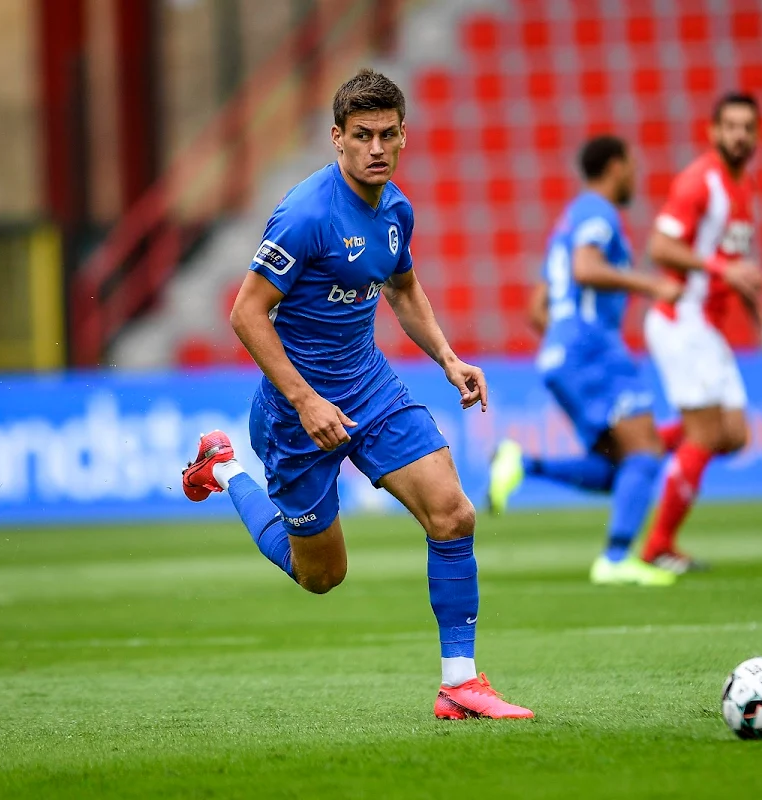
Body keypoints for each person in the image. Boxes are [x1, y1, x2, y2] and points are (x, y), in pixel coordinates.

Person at [179, 69, 532, 720]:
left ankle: (460, 683)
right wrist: (306, 401)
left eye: (388, 135)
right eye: (362, 135)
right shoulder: (306, 214)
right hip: (296, 413)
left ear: (404, 138)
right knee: (321, 576)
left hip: (369, 387)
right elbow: (246, 314)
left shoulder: (396, 208)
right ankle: (225, 467)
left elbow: (402, 288)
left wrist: (449, 358)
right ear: (336, 138)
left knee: (453, 514)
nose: (376, 147)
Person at [486, 135, 681, 587]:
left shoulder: (568, 221)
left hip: (561, 351)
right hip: (593, 347)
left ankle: (523, 464)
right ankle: (615, 559)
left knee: (618, 468)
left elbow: (538, 305)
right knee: (647, 449)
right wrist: (653, 287)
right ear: (615, 166)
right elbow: (586, 270)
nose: (636, 174)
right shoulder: (598, 212)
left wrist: (563, 339)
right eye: (633, 165)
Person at [639, 92, 762, 574]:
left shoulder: (744, 186)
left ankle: (646, 447)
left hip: (707, 326)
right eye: (730, 126)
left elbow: (728, 262)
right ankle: (658, 547)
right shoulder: (701, 181)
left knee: (732, 435)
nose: (739, 135)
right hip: (680, 319)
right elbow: (660, 245)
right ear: (713, 131)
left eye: (747, 127)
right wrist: (722, 270)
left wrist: (748, 295)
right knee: (707, 432)